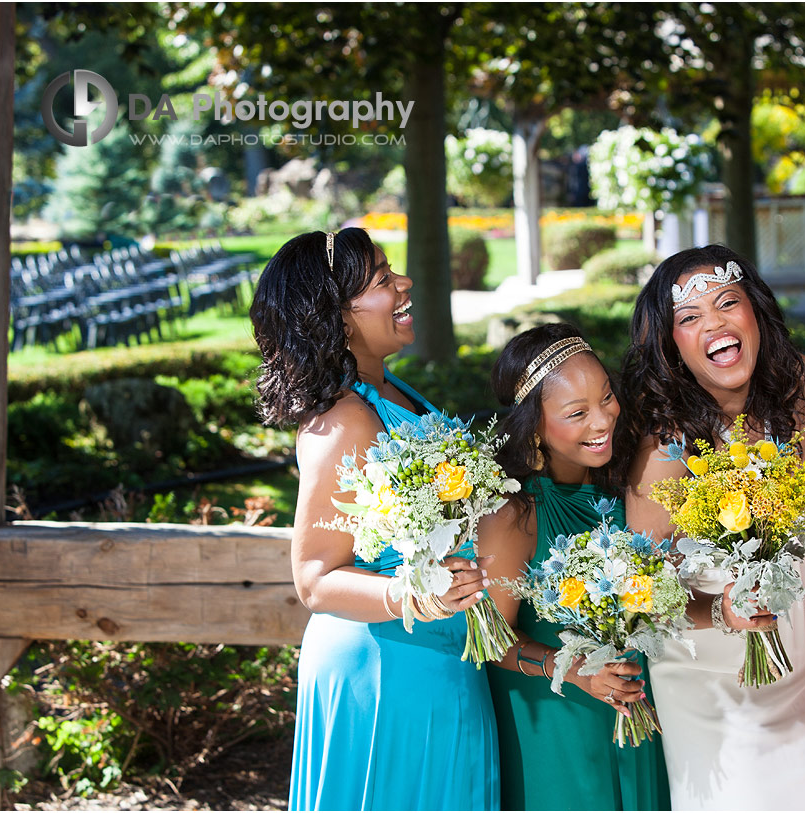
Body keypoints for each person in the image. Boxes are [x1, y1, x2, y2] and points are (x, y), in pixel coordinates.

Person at [250, 228, 499, 811]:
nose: (404, 283)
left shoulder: (395, 390)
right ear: (335, 317)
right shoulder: (344, 420)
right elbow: (313, 578)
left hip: (443, 655)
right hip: (384, 669)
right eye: (383, 281)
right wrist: (416, 596)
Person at [622, 244, 805, 810]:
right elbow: (640, 594)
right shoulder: (666, 443)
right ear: (672, 345)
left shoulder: (801, 383)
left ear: (755, 312)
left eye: (727, 303)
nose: (715, 324)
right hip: (720, 688)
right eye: (690, 318)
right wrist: (722, 613)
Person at [476, 324, 670, 811]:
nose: (603, 420)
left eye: (606, 398)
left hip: (630, 701)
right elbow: (488, 639)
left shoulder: (618, 487)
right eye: (577, 413)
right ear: (534, 427)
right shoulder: (513, 513)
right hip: (555, 717)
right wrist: (574, 670)